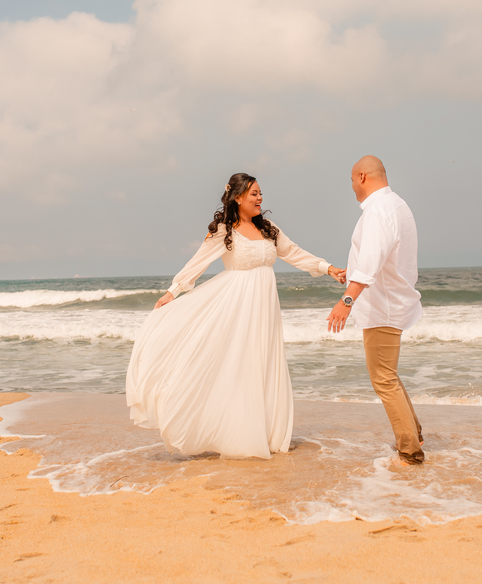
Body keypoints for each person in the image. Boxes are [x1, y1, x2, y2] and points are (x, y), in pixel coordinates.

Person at [127, 173, 345, 459]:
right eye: (254, 193)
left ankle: (267, 434)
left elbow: (293, 252)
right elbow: (197, 263)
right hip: (237, 306)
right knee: (239, 363)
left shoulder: (269, 229)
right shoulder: (223, 231)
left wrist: (328, 268)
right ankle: (236, 433)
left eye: (260, 193)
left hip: (265, 307)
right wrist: (173, 292)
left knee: (265, 362)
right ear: (238, 197)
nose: (260, 198)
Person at [326, 155, 425, 464]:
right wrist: (351, 273)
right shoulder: (396, 205)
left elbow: (371, 259)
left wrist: (346, 300)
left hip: (382, 305)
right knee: (388, 374)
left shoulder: (378, 210)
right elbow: (378, 258)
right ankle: (415, 433)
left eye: (353, 180)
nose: (352, 187)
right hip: (390, 300)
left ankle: (410, 449)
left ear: (363, 177)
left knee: (382, 377)